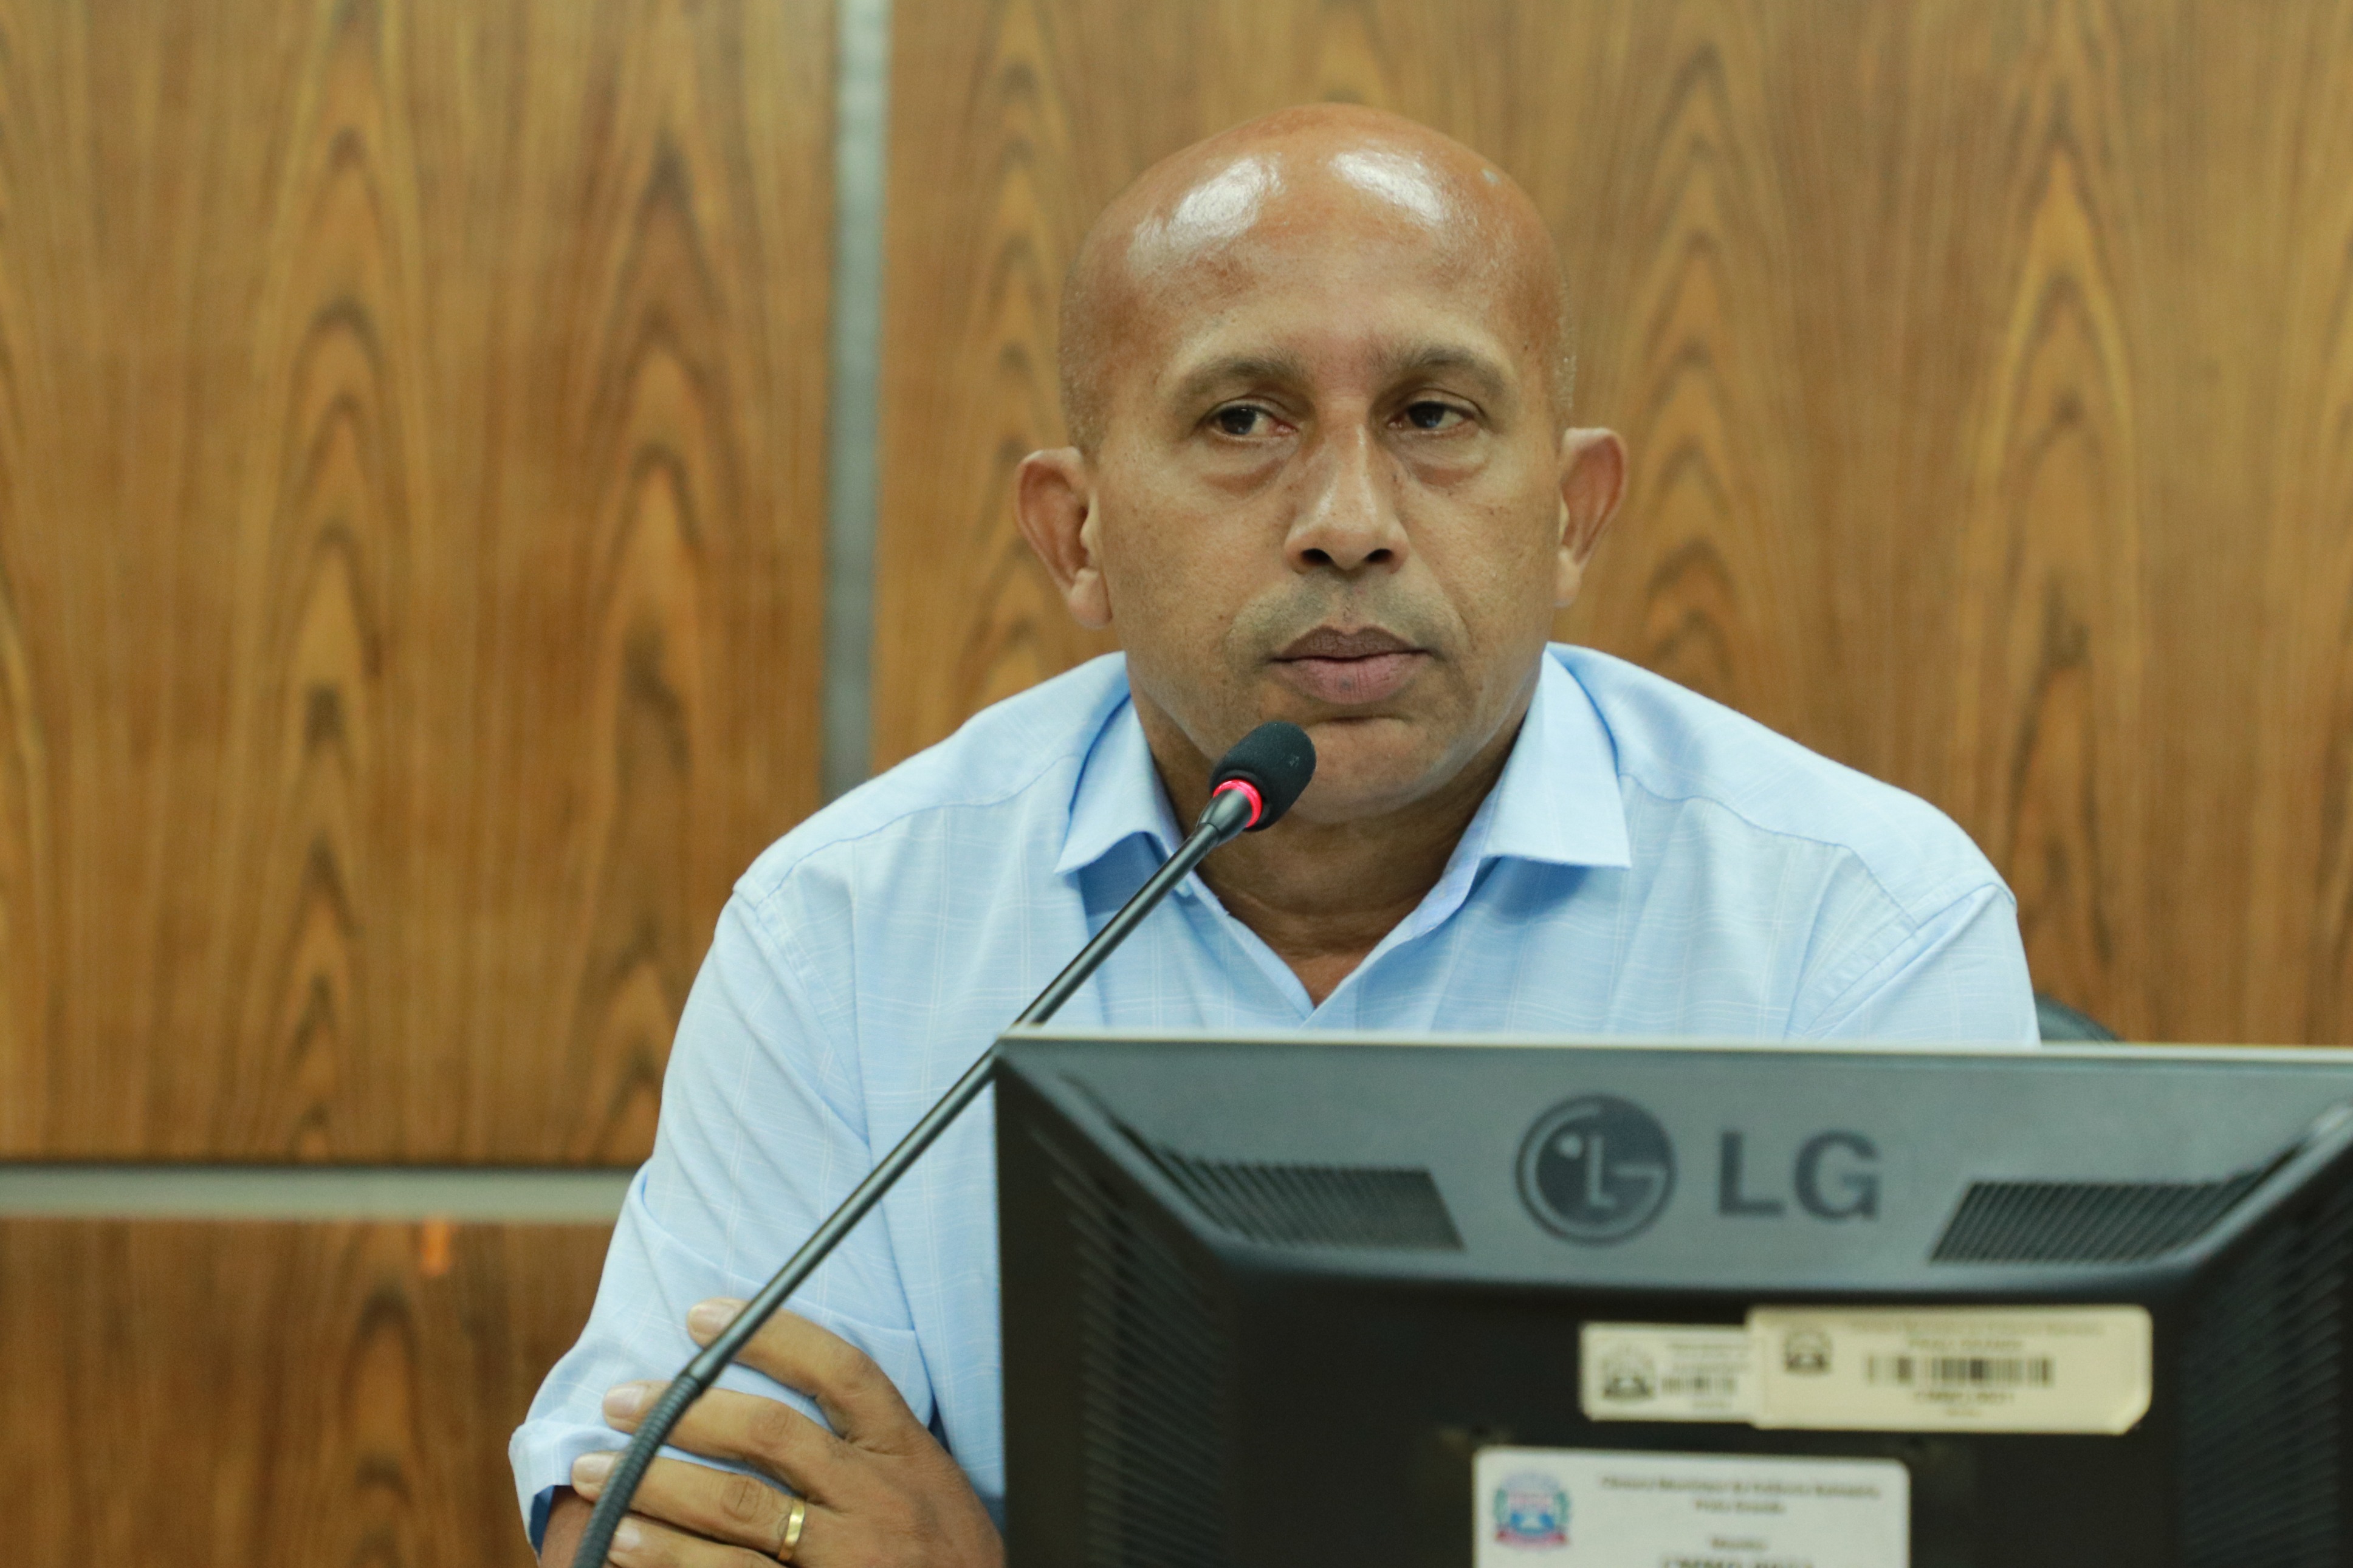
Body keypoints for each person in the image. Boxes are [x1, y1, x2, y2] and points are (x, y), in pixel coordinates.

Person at [517, 103, 2035, 1567]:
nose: (1349, 520)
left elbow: (1968, 1523)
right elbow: (639, 1508)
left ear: (1572, 513)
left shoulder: (1852, 926)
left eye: (1434, 417)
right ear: (1077, 534)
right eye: (1242, 419)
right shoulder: (847, 926)